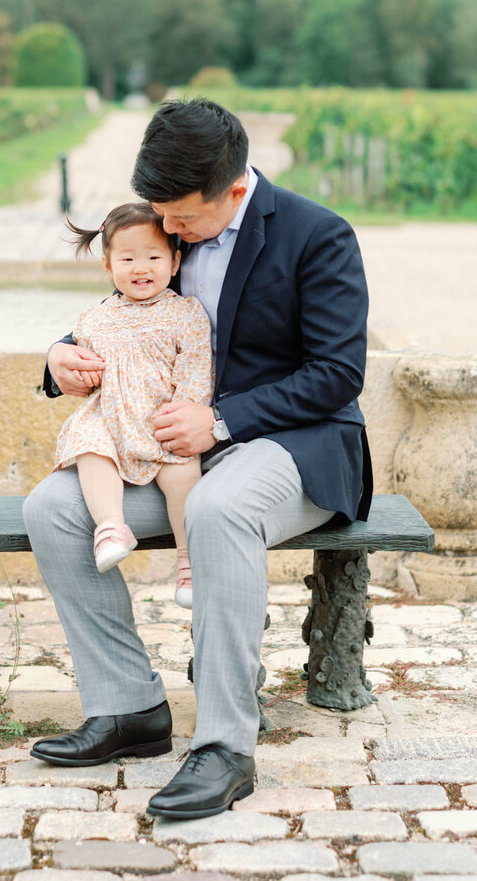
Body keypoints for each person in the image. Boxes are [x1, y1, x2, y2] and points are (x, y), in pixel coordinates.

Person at [24, 98, 372, 819]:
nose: (168, 232)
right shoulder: (169, 228)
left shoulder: (319, 236)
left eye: (180, 219)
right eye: (159, 214)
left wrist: (219, 419)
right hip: (180, 452)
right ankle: (128, 708)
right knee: (53, 508)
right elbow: (127, 303)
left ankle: (224, 745)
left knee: (218, 508)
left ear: (235, 190)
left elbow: (338, 373)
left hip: (292, 447)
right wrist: (60, 355)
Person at [54, 201, 214, 607]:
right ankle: (111, 526)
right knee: (89, 444)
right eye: (127, 259)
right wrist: (84, 374)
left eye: (154, 257)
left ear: (175, 263)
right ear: (109, 268)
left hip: (161, 411)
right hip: (112, 415)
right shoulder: (93, 318)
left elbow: (196, 365)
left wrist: (186, 407)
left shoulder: (186, 314)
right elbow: (88, 369)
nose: (141, 267)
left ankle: (188, 560)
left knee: (181, 467)